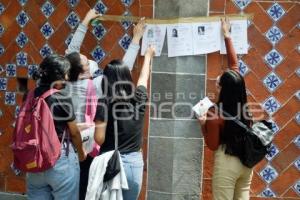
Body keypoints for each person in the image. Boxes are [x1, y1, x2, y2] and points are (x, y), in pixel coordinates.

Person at [65, 9, 146, 200]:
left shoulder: (66, 82)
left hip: (70, 145)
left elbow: (71, 52)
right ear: (84, 71)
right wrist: (136, 40)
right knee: (90, 189)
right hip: (90, 147)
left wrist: (85, 20)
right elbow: (122, 70)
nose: (88, 60)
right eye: (86, 63)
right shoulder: (96, 84)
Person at [198, 18, 253, 200]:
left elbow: (213, 145)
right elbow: (234, 67)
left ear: (224, 89)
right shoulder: (243, 104)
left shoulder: (215, 113)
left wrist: (203, 124)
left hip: (227, 163)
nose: (216, 82)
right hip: (246, 162)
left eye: (219, 83)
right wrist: (227, 36)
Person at [94, 45, 155, 200]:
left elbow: (99, 139)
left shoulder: (104, 103)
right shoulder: (139, 98)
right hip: (134, 164)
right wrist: (148, 56)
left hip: (110, 162)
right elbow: (143, 79)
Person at [26, 54, 86, 200]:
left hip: (34, 160)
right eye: (66, 74)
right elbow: (74, 133)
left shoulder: (30, 95)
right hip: (60, 160)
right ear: (58, 76)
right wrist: (81, 153)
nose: (67, 78)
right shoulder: (61, 97)